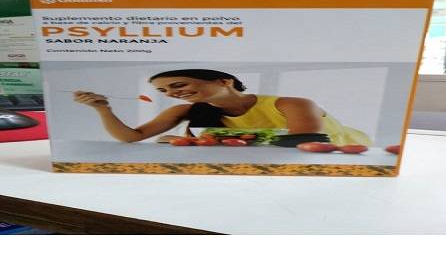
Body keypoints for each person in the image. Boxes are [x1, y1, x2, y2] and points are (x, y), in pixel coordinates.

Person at [72, 68, 372, 147]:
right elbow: (131, 137)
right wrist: (103, 109)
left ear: (225, 81)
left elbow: (305, 142)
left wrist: (202, 141)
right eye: (164, 91)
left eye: (178, 85)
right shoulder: (186, 111)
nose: (173, 94)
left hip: (347, 154)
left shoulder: (292, 103)